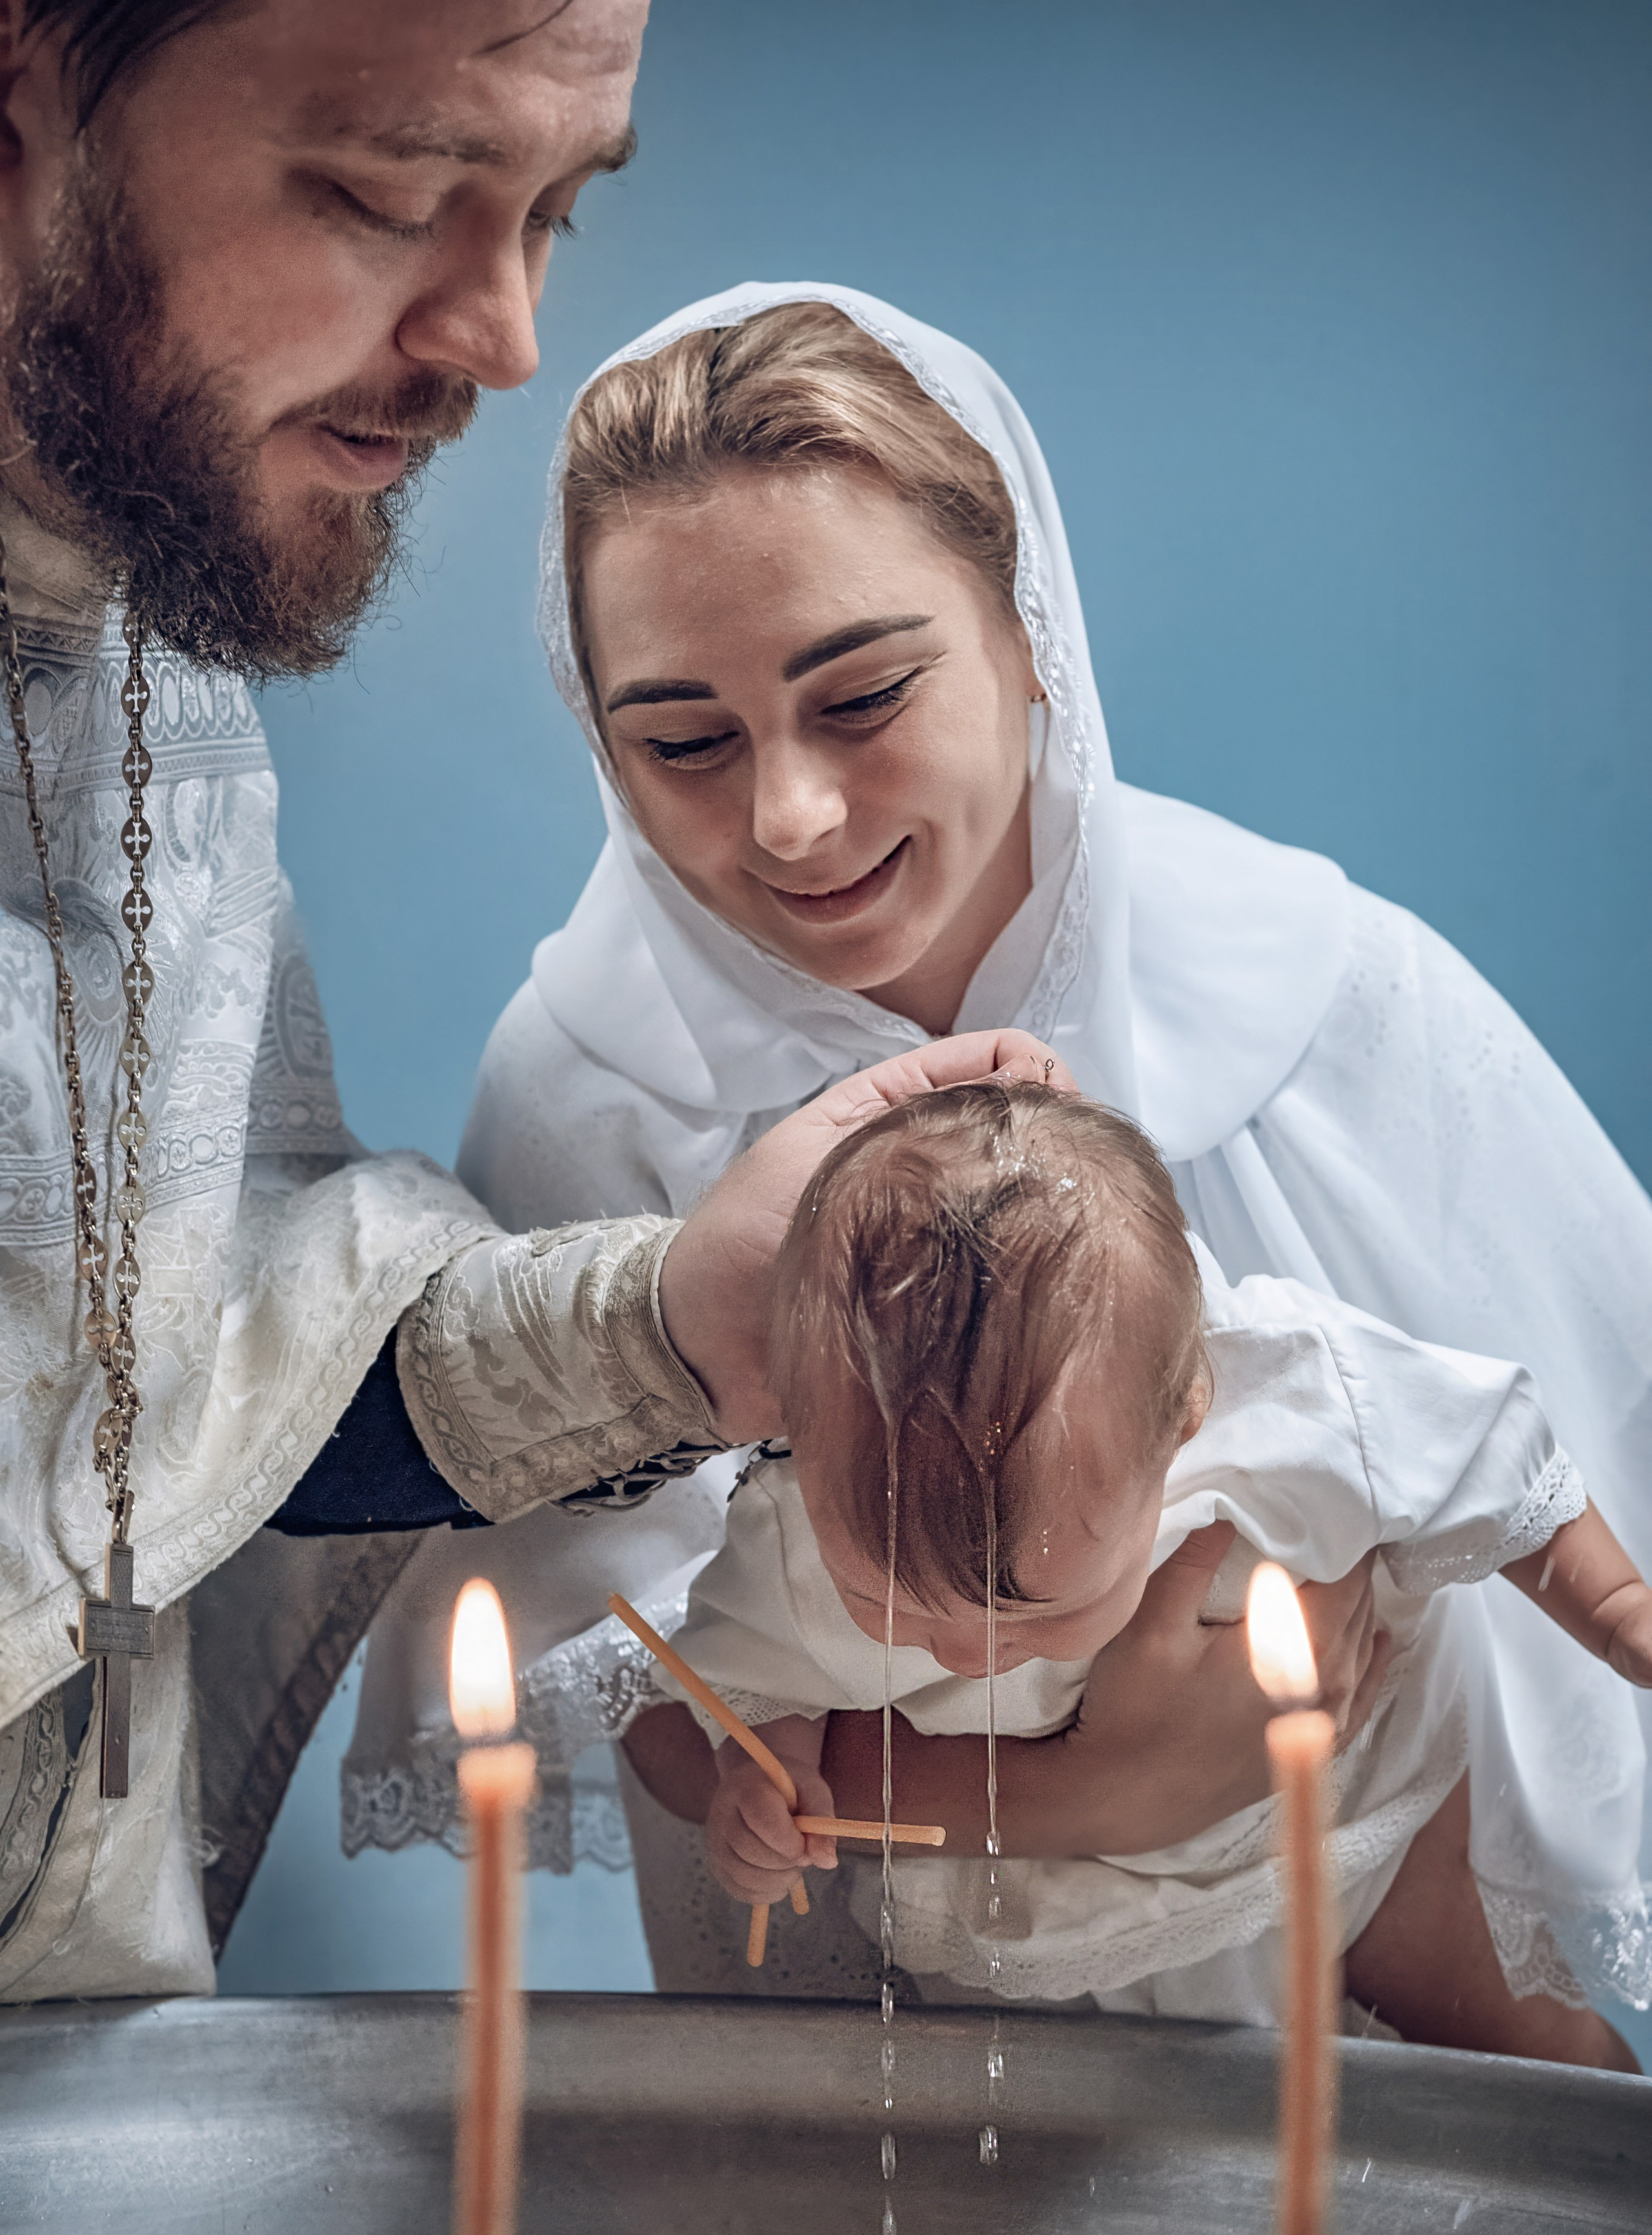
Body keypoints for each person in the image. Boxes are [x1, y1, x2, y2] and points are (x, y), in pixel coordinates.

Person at [354, 281, 1652, 2034]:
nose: (790, 817)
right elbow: (636, 1660)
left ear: (1031, 625)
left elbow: (1534, 1446)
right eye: (682, 742)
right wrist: (1087, 1788)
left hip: (1354, 1947)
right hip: (904, 2037)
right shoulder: (593, 1103)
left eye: (865, 693)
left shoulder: (1321, 994)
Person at [0, 4, 1051, 2004]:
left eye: (553, 211)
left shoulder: (156, 675)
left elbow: (167, 1395)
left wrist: (678, 1319)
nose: (505, 337)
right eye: (391, 193)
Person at [663, 1078, 1644, 2068]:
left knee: (1502, 2034)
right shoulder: (794, 1524)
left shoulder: (1284, 1395)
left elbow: (1485, 1448)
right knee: (1139, 2109)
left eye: (1038, 1610)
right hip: (1060, 1893)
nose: (966, 1648)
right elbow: (754, 1669)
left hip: (1349, 1804)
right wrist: (765, 1768)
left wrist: (1612, 1606)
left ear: (1182, 1416)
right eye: (886, 1604)